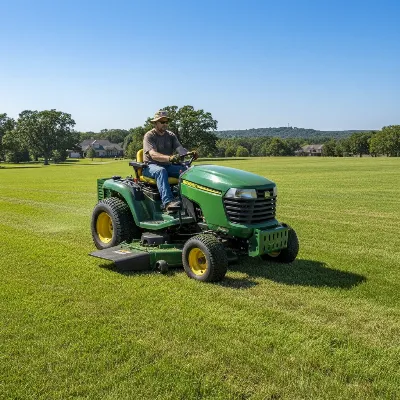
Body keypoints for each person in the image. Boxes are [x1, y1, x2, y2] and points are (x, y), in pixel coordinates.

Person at [143, 110, 195, 211]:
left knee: (188, 170)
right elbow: (153, 155)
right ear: (155, 123)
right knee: (161, 171)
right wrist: (169, 158)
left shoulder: (170, 135)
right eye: (162, 122)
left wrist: (189, 153)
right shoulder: (149, 136)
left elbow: (180, 149)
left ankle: (188, 199)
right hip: (150, 166)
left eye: (166, 122)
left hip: (167, 165)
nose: (165, 124)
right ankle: (168, 202)